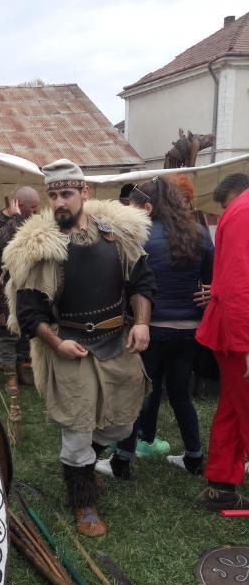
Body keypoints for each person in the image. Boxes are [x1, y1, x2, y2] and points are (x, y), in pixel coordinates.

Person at [4, 160, 155, 537]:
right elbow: (28, 312)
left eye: (67, 193)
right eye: (53, 195)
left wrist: (141, 322)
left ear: (84, 192)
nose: (60, 202)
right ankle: (83, 501)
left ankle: (85, 466)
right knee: (77, 429)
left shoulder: (116, 236)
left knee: (121, 422)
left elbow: (141, 282)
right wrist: (58, 343)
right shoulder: (42, 249)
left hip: (115, 341)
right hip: (69, 346)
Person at [96, 177, 214, 479]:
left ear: (147, 206)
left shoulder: (140, 236)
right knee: (180, 394)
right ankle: (194, 456)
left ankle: (121, 461)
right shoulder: (200, 233)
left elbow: (125, 281)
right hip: (189, 329)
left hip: (150, 328)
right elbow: (210, 281)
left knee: (138, 394)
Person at [194, 173, 249, 510]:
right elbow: (239, 282)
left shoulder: (240, 209)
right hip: (240, 334)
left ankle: (221, 486)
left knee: (232, 408)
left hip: (235, 331)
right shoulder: (245, 210)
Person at [0, 186, 40, 394]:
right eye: (33, 208)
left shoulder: (30, 220)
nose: (36, 212)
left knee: (24, 328)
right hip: (3, 288)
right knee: (7, 333)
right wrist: (16, 219)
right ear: (19, 205)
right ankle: (10, 377)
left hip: (24, 284)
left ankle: (20, 369)